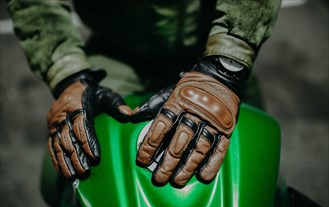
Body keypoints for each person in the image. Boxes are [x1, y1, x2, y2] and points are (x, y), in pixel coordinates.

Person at [6, 0, 282, 189]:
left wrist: (225, 66)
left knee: (255, 169)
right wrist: (66, 72)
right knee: (70, 172)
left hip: (213, 47)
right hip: (117, 50)